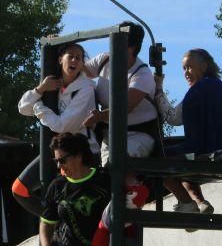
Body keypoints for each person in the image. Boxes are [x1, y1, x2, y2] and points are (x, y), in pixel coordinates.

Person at [82, 21, 197, 214]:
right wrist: (62, 55)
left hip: (139, 134)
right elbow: (79, 72)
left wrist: (100, 115)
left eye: (117, 40)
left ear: (131, 47)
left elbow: (125, 107)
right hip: (110, 134)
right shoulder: (103, 60)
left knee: (118, 162)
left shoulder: (142, 74)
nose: (111, 46)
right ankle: (125, 209)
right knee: (107, 174)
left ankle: (134, 198)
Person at [12, 41, 100, 216]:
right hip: (57, 151)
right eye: (71, 56)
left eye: (79, 58)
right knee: (19, 189)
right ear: (60, 59)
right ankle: (55, 221)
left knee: (68, 202)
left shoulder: (86, 89)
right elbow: (23, 108)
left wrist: (38, 108)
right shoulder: (53, 85)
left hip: (81, 153)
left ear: (82, 63)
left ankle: (63, 225)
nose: (74, 60)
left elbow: (62, 125)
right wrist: (41, 89)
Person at [154, 48, 222, 216]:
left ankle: (186, 202)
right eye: (183, 69)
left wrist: (158, 90)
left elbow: (173, 118)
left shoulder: (197, 91)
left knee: (157, 160)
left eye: (189, 67)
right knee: (186, 163)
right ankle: (200, 203)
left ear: (204, 66)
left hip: (210, 155)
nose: (186, 73)